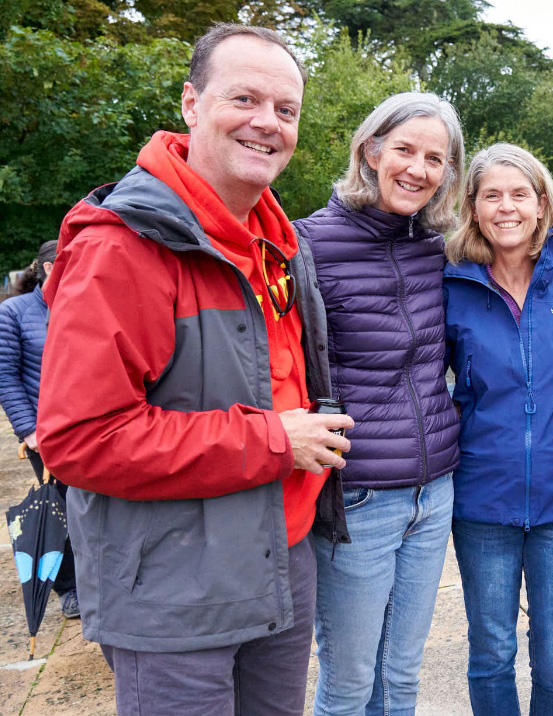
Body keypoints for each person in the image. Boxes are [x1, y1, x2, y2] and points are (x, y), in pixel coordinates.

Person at [37, 24, 353, 716]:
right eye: (244, 98)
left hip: (282, 559)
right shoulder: (122, 249)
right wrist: (278, 441)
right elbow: (81, 439)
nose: (267, 123)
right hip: (175, 591)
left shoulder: (280, 241)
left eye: (286, 110)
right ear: (190, 103)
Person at [291, 91, 464, 716]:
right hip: (357, 497)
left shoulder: (436, 247)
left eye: (436, 158)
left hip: (434, 490)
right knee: (348, 680)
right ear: (371, 150)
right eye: (405, 150)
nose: (418, 169)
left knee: (402, 676)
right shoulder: (304, 244)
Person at [443, 143, 553, 715]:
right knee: (491, 649)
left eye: (519, 195)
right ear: (473, 207)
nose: (506, 207)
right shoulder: (452, 285)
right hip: (482, 497)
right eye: (492, 195)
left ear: (542, 205)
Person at [0, 240, 79, 619]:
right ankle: (68, 588)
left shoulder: (85, 304)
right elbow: (6, 375)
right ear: (50, 268)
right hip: (45, 434)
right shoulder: (14, 312)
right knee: (57, 510)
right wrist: (29, 431)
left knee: (94, 508)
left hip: (89, 428)